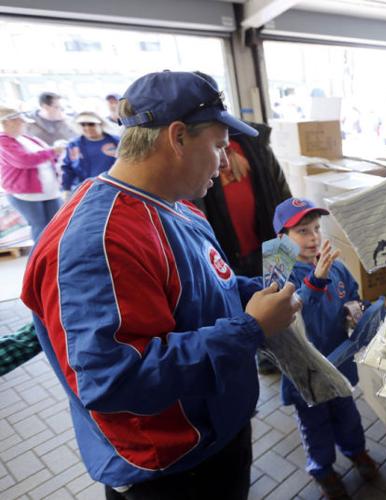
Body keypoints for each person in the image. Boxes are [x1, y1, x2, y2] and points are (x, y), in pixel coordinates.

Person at [20, 70, 301, 500]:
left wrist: (252, 294)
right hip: (172, 473)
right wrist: (250, 329)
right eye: (220, 147)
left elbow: (207, 285)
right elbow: (113, 379)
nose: (226, 162)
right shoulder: (97, 243)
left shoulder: (180, 207)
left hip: (215, 437)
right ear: (177, 137)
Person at [273, 198, 378, 499]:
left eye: (317, 228)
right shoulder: (279, 273)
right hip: (303, 372)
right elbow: (289, 316)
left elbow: (353, 295)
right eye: (302, 231)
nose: (314, 237)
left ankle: (356, 451)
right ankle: (322, 468)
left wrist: (356, 308)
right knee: (314, 424)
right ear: (282, 238)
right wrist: (316, 279)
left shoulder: (337, 266)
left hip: (338, 364)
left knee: (348, 414)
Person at [194, 125, 291, 375]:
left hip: (269, 242)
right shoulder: (199, 156)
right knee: (242, 308)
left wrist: (292, 226)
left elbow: (279, 186)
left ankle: (280, 354)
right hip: (228, 251)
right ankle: (257, 355)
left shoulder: (254, 144)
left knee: (275, 297)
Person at [0, 105, 65, 243]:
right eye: (18, 119)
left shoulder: (25, 138)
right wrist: (53, 151)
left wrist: (56, 154)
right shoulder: (3, 140)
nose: (22, 122)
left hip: (49, 190)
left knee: (57, 226)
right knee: (40, 228)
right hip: (26, 194)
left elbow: (46, 157)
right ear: (6, 122)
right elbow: (23, 160)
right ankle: (40, 262)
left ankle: (56, 258)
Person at [61, 111, 119, 193]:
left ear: (100, 124)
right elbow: (68, 169)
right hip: (85, 191)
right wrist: (66, 189)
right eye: (83, 124)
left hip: (113, 189)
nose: (87, 127)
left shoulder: (117, 142)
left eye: (91, 124)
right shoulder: (74, 145)